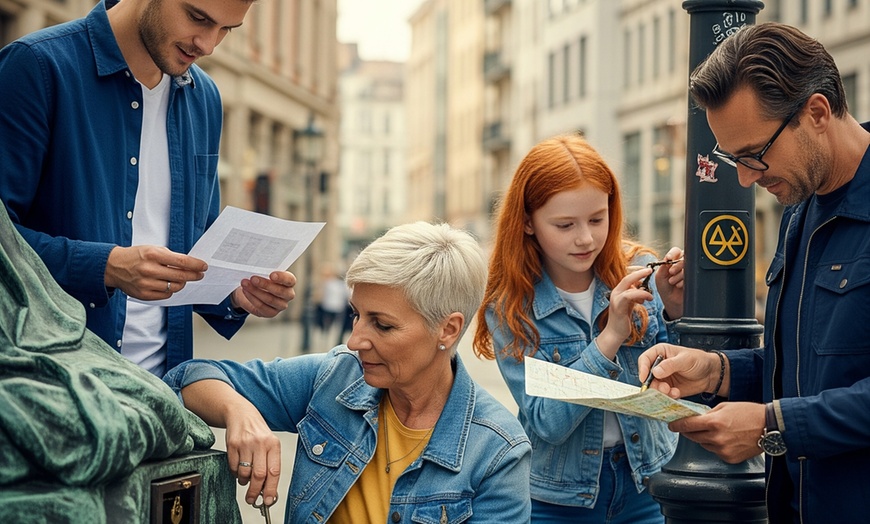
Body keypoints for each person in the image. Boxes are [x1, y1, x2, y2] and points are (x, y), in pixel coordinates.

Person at [637, 22, 870, 523]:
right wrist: (714, 370)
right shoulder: (800, 208)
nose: (745, 179)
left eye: (754, 156)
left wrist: (772, 425)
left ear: (817, 113)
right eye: (732, 159)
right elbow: (808, 370)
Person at [0, 0, 296, 377]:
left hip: (164, 390)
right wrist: (105, 266)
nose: (208, 45)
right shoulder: (36, 67)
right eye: (197, 18)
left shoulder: (205, 98)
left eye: (226, 29)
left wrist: (237, 294)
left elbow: (193, 246)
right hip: (59, 383)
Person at [164, 221, 533, 522]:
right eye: (356, 314)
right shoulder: (334, 378)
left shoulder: (498, 451)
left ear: (448, 330)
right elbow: (186, 379)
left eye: (382, 325)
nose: (355, 340)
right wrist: (239, 411)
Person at [472, 133, 685, 523]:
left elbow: (680, 383)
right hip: (557, 500)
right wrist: (610, 337)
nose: (585, 238)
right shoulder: (510, 307)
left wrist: (674, 309)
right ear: (528, 222)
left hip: (647, 482)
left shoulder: (640, 270)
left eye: (597, 219)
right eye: (565, 224)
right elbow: (547, 423)